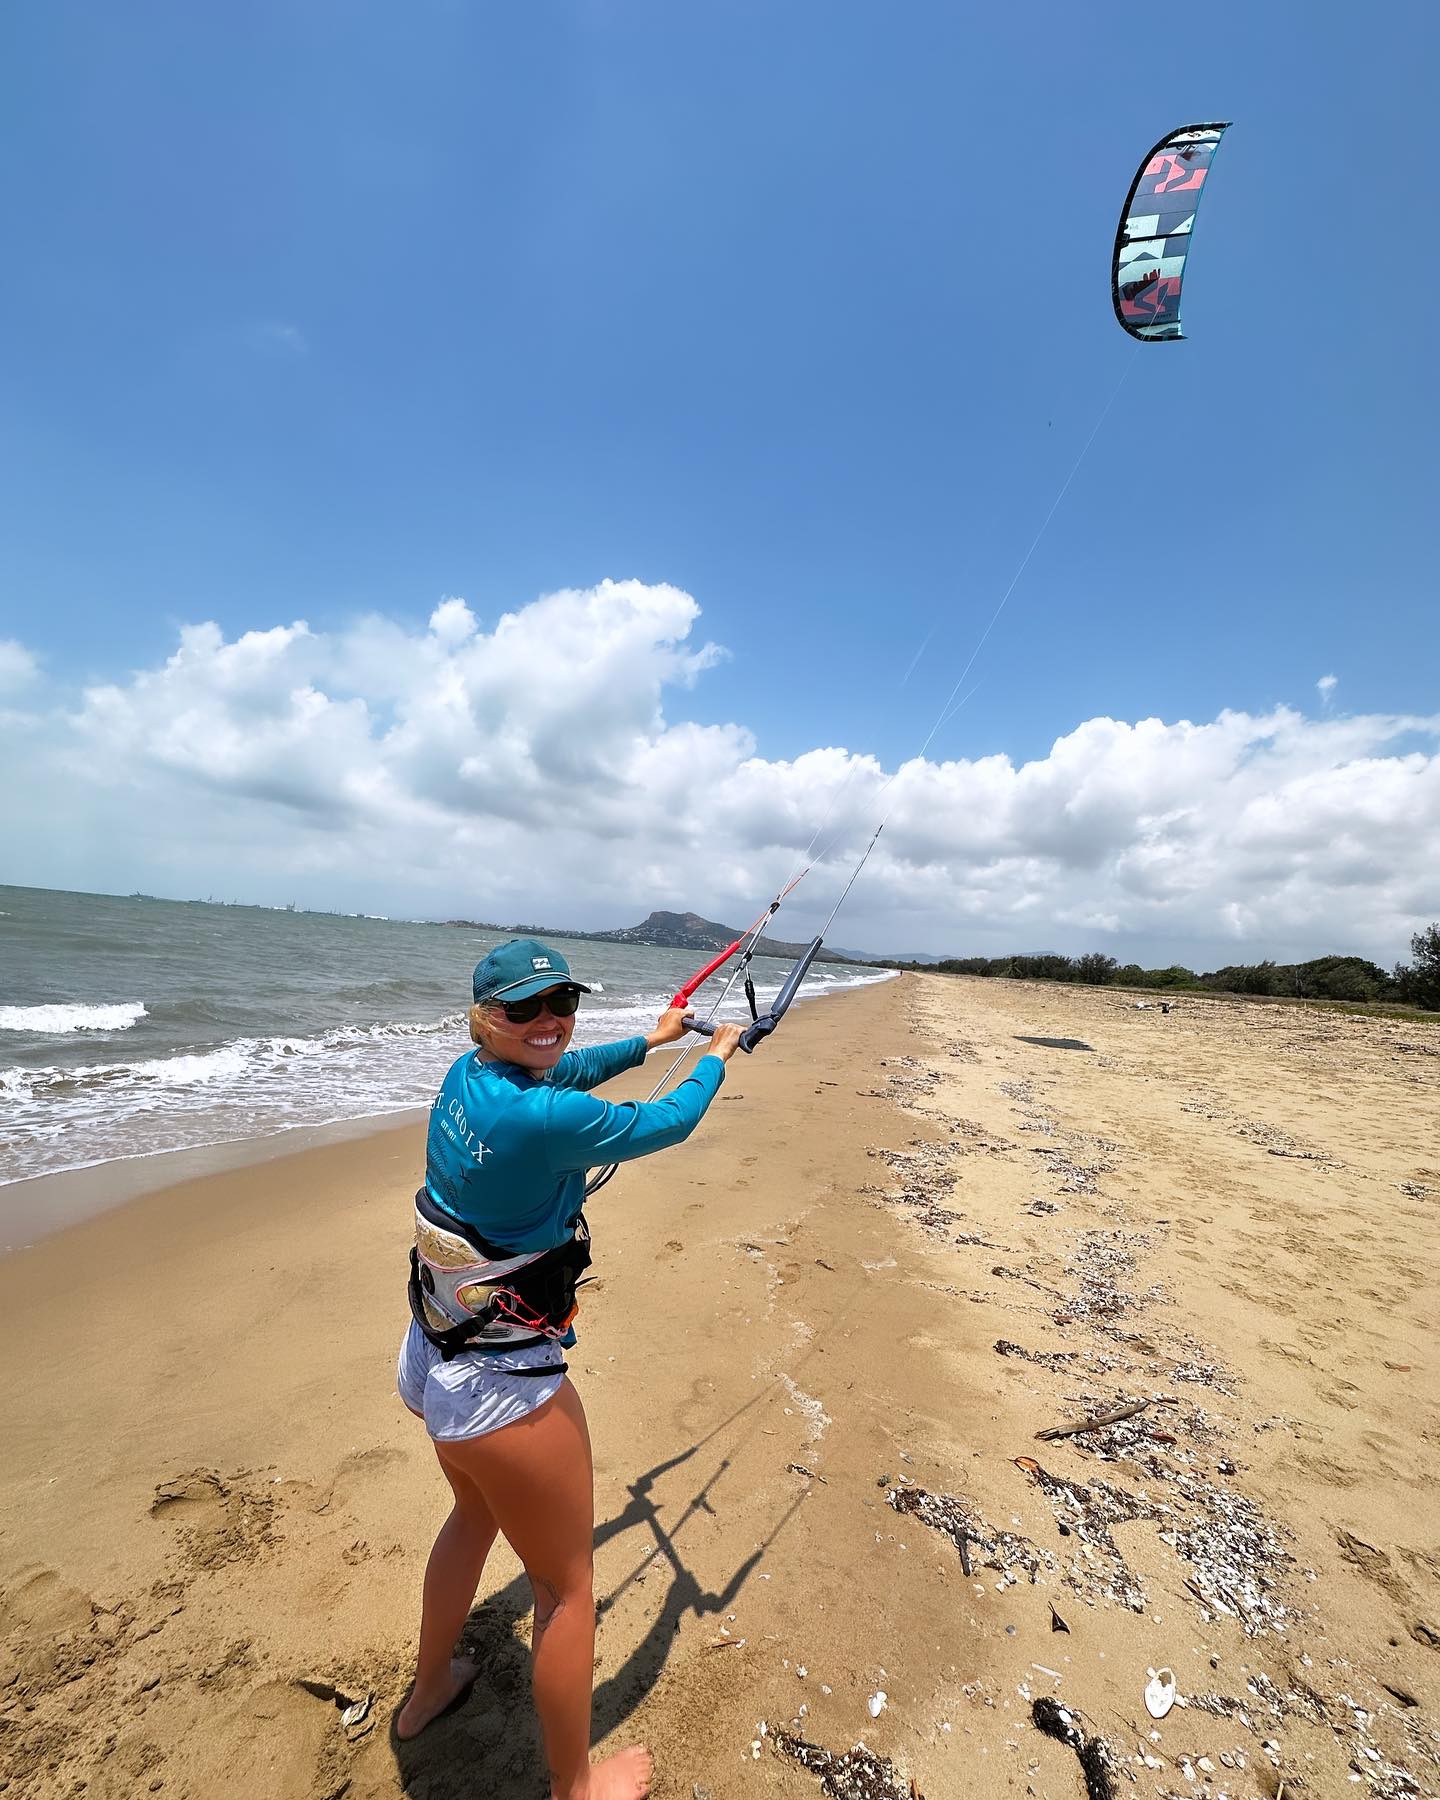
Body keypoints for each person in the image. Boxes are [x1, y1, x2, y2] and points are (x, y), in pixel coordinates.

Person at [395, 937, 742, 1799]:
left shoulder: (468, 1076)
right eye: (524, 1009)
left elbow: (563, 1071)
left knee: (472, 1515)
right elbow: (666, 1123)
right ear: (484, 1015)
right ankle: (575, 1787)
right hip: (501, 1383)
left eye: (562, 1003)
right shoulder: (539, 1119)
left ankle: (428, 1689)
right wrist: (716, 1056)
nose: (549, 1022)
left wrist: (653, 1041)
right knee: (566, 1589)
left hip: (435, 1351)